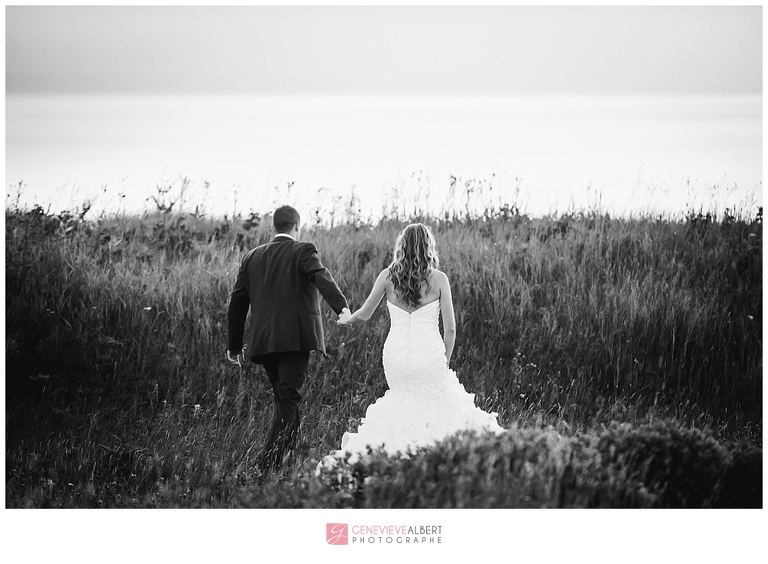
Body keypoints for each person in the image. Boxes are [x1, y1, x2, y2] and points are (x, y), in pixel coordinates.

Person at [324, 223, 504, 466]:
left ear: (401, 247)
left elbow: (365, 313)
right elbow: (450, 329)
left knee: (402, 400)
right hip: (429, 354)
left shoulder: (387, 277)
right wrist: (445, 360)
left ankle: (395, 459)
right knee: (435, 403)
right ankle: (435, 461)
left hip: (396, 355)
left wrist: (348, 319)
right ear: (429, 247)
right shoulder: (439, 279)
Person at [227, 205, 350, 479]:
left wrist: (234, 346)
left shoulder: (251, 257)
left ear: (274, 227)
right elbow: (322, 278)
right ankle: (263, 470)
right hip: (294, 339)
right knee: (288, 401)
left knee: (285, 399)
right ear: (297, 226)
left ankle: (291, 458)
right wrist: (342, 309)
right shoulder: (303, 250)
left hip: (263, 343)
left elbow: (237, 302)